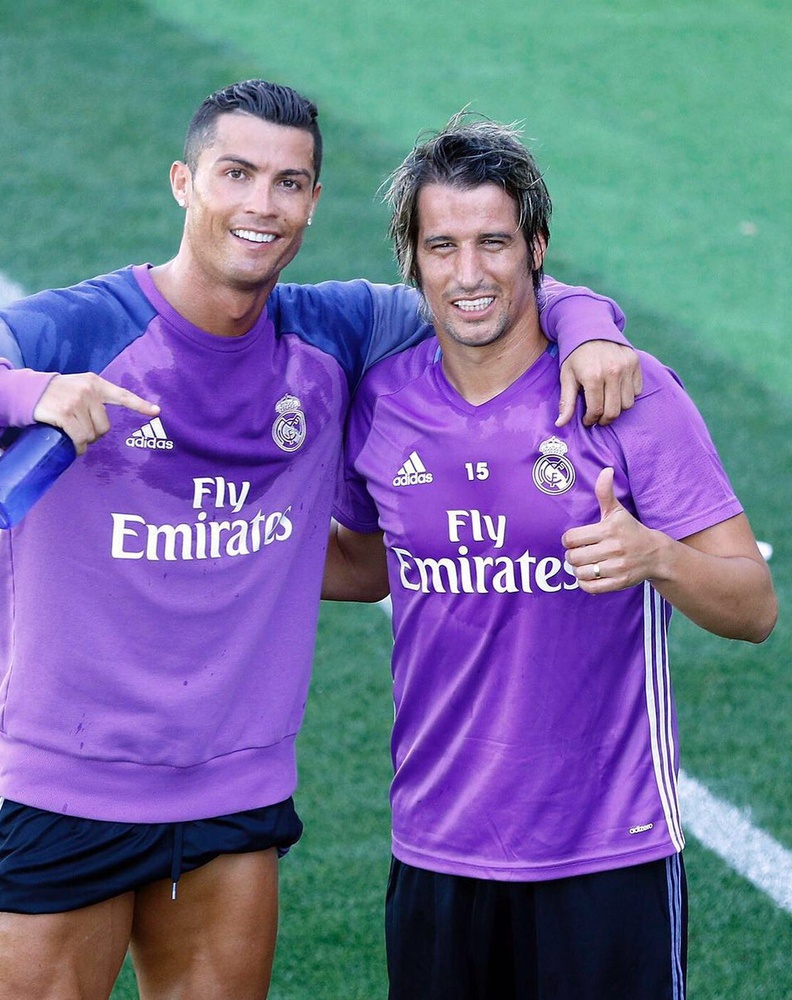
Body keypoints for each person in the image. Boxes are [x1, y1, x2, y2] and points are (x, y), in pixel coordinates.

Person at [0, 81, 639, 1000]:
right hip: (68, 786)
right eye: (236, 173)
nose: (262, 205)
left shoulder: (335, 329)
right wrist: (22, 393)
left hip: (233, 802)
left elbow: (480, 285)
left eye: (289, 183)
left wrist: (588, 324)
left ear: (314, 204)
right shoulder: (81, 329)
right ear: (184, 181)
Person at [323, 112, 778, 1000]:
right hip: (437, 849)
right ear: (410, 258)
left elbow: (754, 606)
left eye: (493, 242)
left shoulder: (626, 395)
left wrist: (655, 558)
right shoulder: (380, 403)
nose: (468, 273)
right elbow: (369, 564)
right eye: (442, 244)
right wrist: (226, 553)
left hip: (608, 852)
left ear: (536, 247)